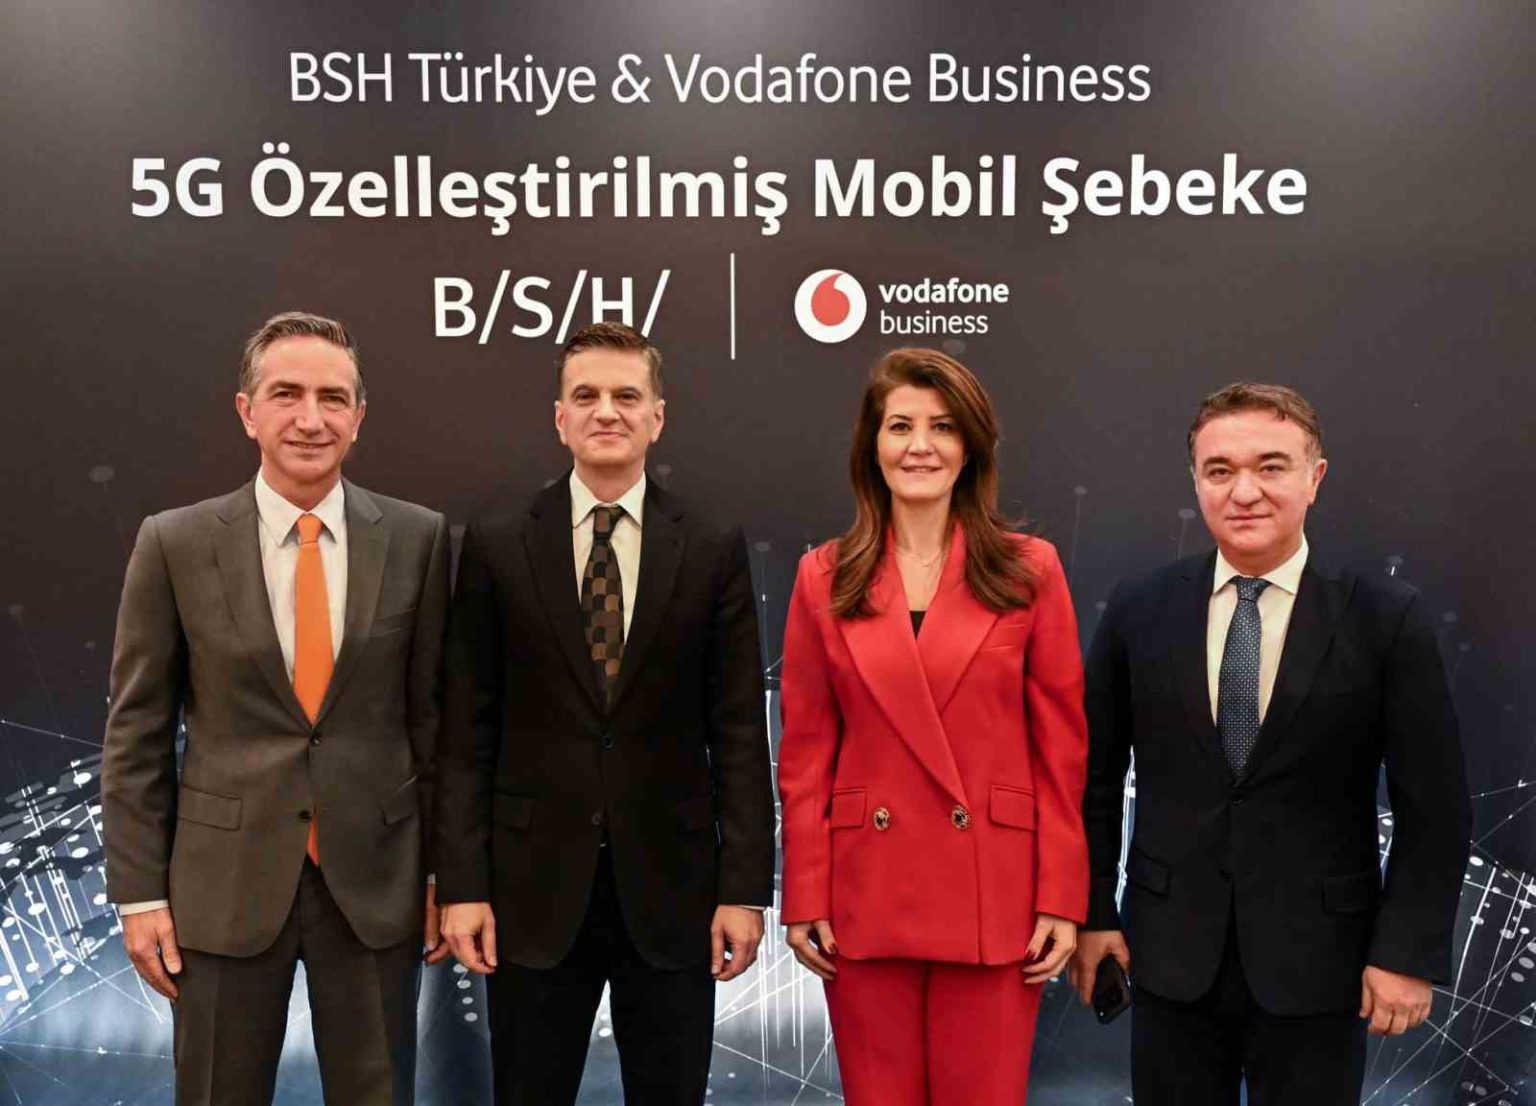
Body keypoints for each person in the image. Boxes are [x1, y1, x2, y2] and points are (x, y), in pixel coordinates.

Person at [1068, 382, 1472, 1105]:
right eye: (1220, 470)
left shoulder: (1385, 618)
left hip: (1324, 968)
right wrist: (1095, 914)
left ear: (1315, 477)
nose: (1244, 491)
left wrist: (1407, 953)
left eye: (1271, 467)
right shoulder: (1140, 608)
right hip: (1168, 959)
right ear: (1195, 481)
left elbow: (1434, 806)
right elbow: (1092, 780)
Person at [102, 311, 450, 1106]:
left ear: (358, 418)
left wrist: (441, 872)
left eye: (333, 398)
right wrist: (140, 894)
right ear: (247, 411)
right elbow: (137, 735)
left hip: (375, 885)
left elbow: (434, 724)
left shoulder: (418, 538)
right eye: (286, 394)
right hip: (220, 887)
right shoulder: (174, 543)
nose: (310, 418)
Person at [434, 322, 776, 1105]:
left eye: (627, 395)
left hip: (674, 893)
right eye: (585, 395)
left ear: (658, 416)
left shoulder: (712, 545)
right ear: (560, 418)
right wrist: (462, 885)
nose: (607, 411)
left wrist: (743, 890)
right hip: (529, 894)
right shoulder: (496, 544)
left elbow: (736, 732)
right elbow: (465, 734)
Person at [777, 348, 1090, 1106]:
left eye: (943, 427)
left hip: (996, 889)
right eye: (901, 426)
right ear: (872, 446)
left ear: (971, 447)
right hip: (863, 894)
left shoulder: (1030, 569)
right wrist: (805, 893)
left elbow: (1061, 751)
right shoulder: (823, 575)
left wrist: (1061, 894)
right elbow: (806, 754)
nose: (920, 445)